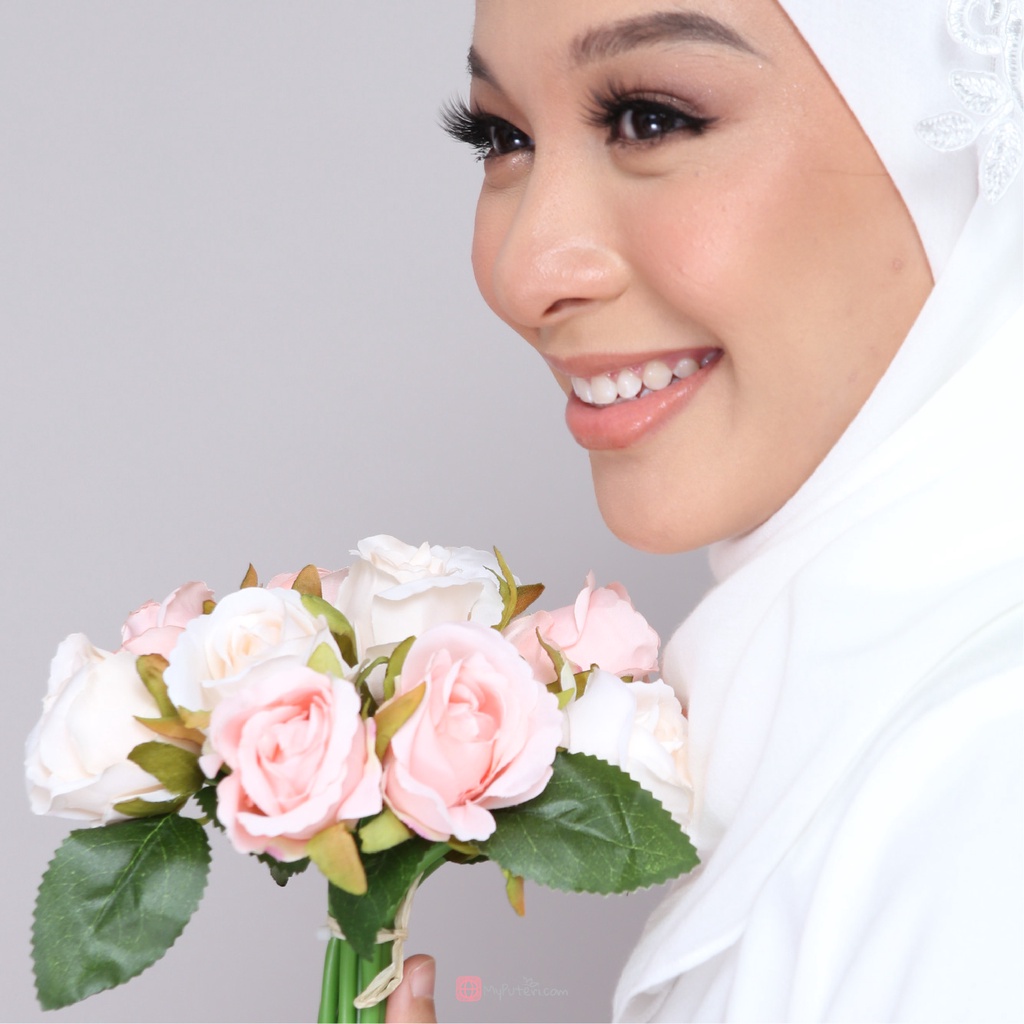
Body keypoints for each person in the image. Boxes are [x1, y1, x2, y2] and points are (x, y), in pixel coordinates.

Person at [387, 1, 1024, 1020]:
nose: (524, 274)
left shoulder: (984, 784)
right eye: (502, 137)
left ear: (949, 133)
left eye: (650, 119)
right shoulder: (858, 739)